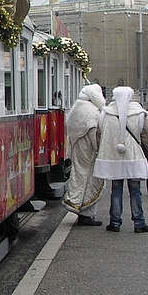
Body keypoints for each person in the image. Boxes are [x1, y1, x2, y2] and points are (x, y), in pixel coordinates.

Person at [94, 86, 148, 233]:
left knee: (116, 189)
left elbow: (98, 135)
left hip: (114, 157)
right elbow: (146, 137)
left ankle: (115, 222)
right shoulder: (139, 113)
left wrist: (100, 152)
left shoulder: (106, 113)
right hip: (133, 157)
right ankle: (139, 222)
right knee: (135, 191)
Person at [63, 84, 106, 226]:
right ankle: (87, 212)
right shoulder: (92, 112)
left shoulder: (77, 108)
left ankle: (75, 202)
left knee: (78, 175)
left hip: (77, 147)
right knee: (91, 178)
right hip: (89, 151)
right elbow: (95, 134)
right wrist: (100, 151)